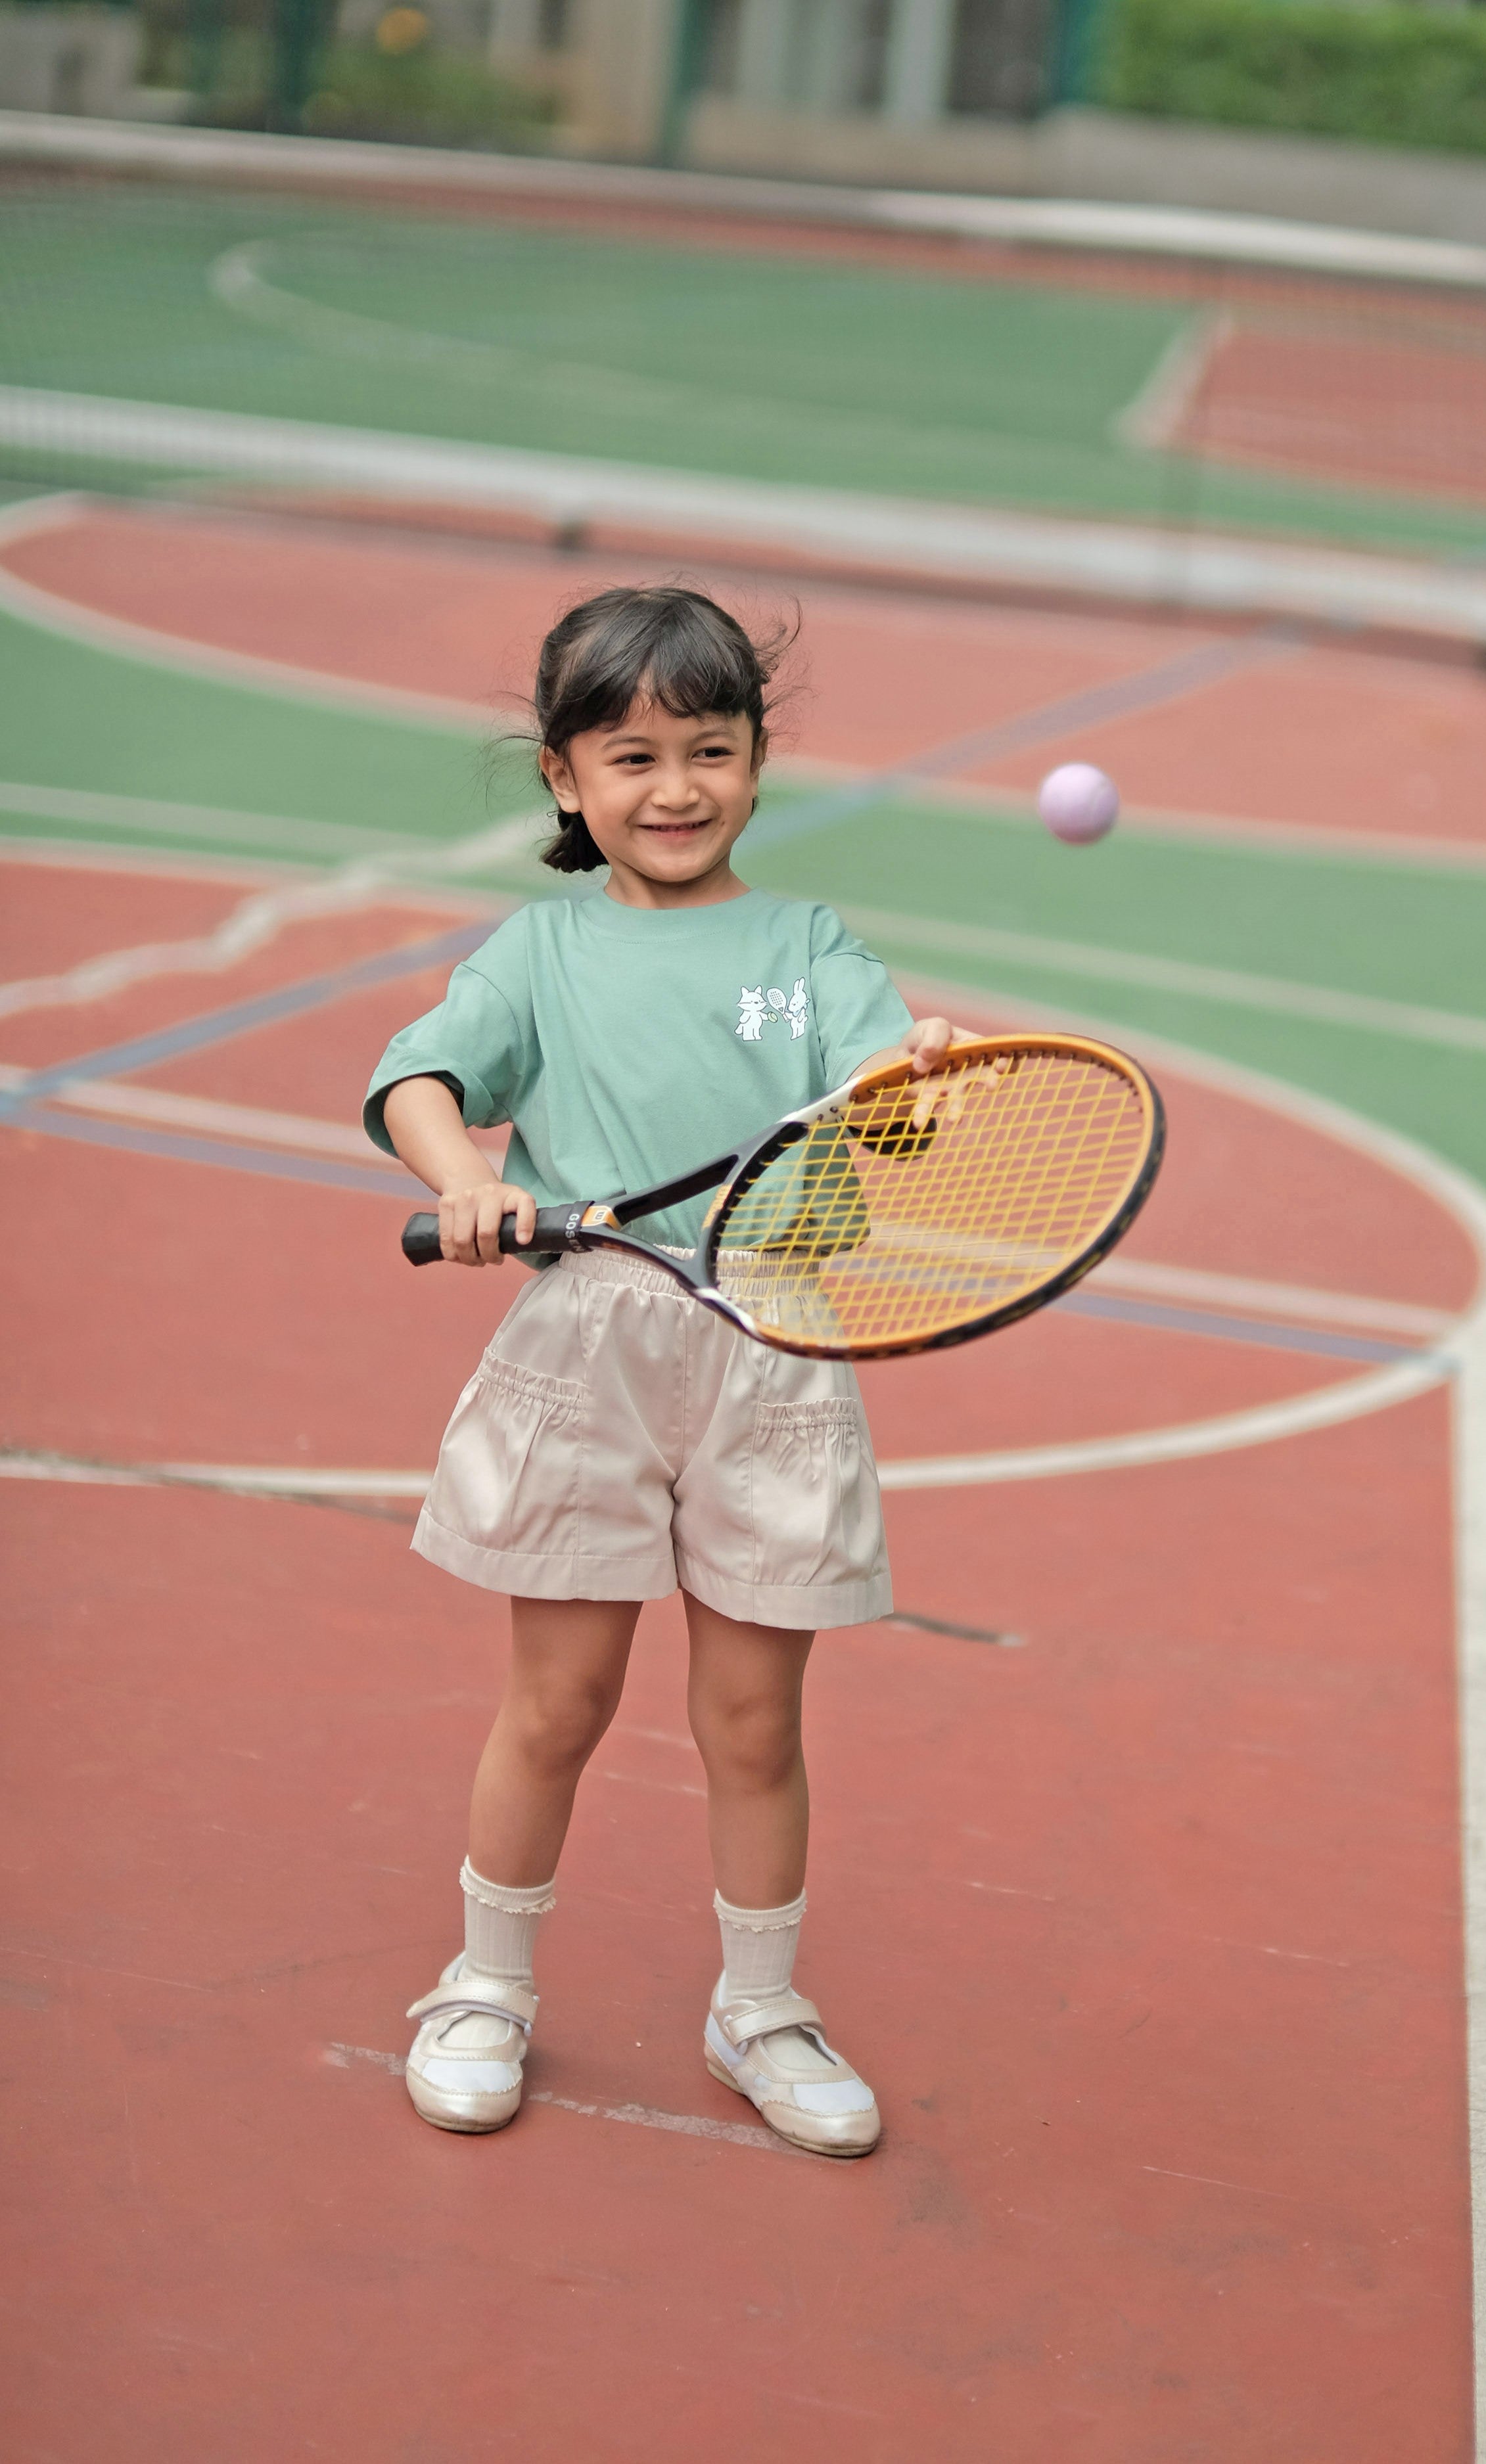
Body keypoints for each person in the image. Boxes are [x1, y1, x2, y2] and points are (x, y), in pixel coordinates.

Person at [363, 585, 965, 2157]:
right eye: (632, 756)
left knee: (756, 1724)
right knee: (557, 1703)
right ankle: (483, 1985)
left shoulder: (809, 948)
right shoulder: (540, 952)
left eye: (712, 748)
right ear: (566, 780)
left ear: (760, 760)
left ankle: (757, 2010)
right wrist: (462, 1179)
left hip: (774, 1351)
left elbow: (881, 1114)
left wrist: (912, 1087)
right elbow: (422, 1076)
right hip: (589, 1347)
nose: (678, 787)